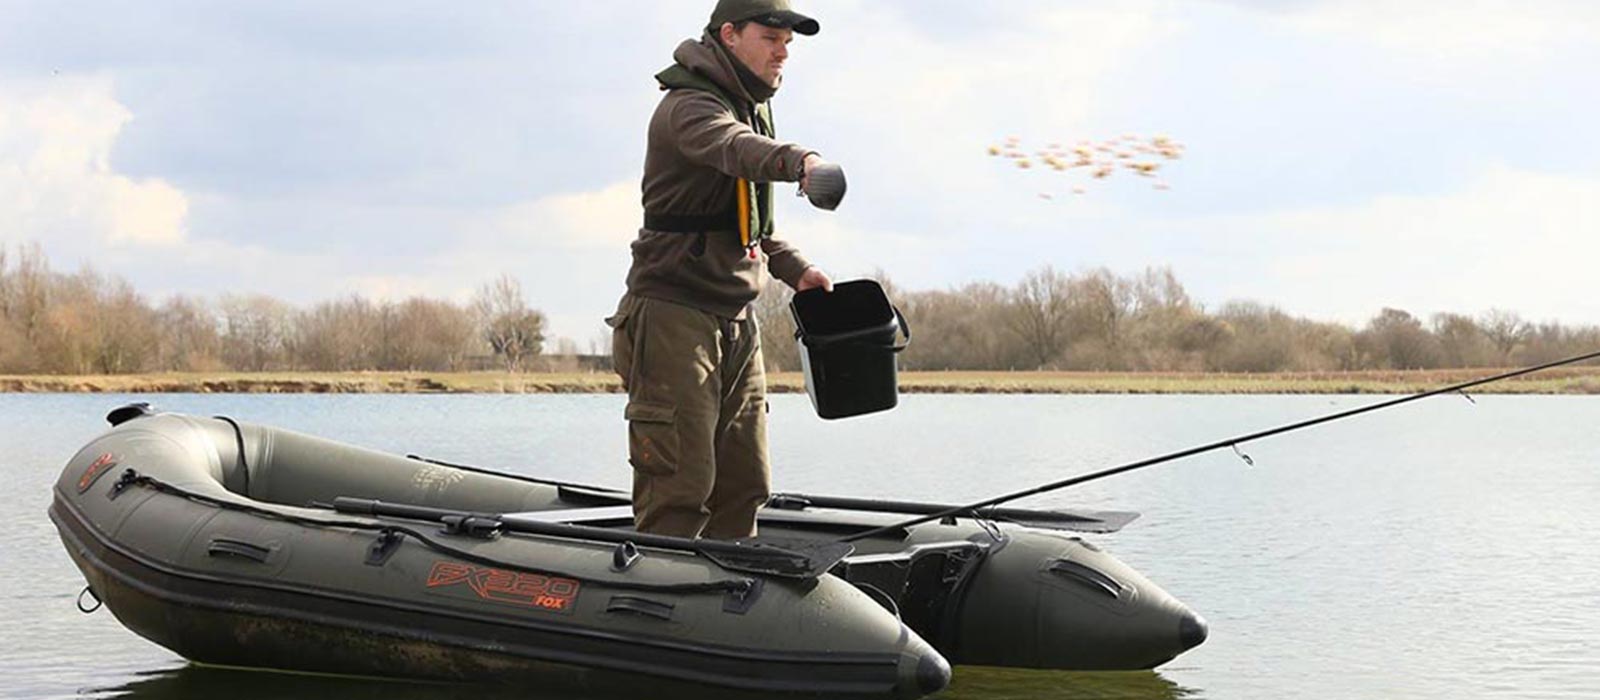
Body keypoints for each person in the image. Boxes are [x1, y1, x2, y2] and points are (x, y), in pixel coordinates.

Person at [607, 0, 837, 540]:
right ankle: (662, 582)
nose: (783, 52)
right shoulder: (689, 106)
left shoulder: (745, 106)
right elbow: (736, 150)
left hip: (736, 318)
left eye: (788, 43)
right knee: (679, 489)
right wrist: (802, 162)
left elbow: (744, 218)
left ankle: (733, 585)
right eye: (771, 38)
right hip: (675, 316)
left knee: (744, 484)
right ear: (729, 34)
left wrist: (794, 269)